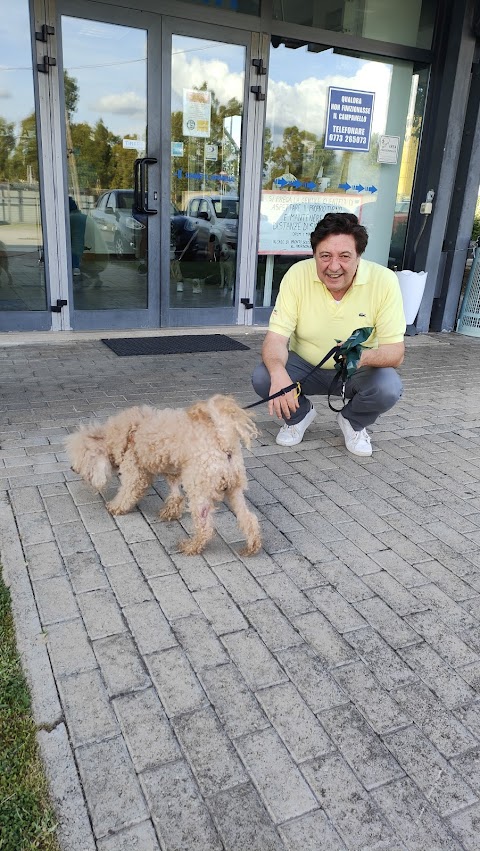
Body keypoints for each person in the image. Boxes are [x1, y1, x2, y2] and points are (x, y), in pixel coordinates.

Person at [251, 212, 406, 457]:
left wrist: (357, 356)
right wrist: (279, 374)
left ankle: (353, 421)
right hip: (305, 366)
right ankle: (299, 416)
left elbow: (395, 353)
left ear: (359, 256)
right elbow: (276, 339)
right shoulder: (296, 274)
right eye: (325, 256)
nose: (333, 266)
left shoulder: (384, 281)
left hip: (356, 370)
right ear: (314, 255)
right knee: (264, 376)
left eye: (345, 256)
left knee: (388, 386)